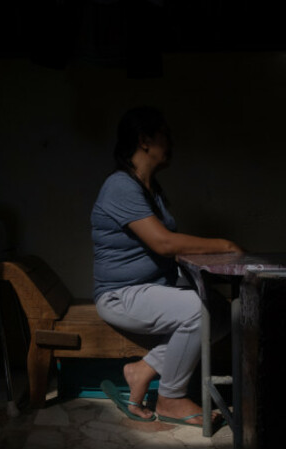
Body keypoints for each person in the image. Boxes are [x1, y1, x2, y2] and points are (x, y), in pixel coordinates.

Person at [91, 106, 243, 426]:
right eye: (165, 135)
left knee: (222, 313)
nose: (171, 142)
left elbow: (168, 248)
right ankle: (171, 397)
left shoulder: (151, 190)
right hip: (121, 294)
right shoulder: (120, 185)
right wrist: (224, 245)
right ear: (145, 140)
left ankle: (142, 370)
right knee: (195, 311)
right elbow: (164, 243)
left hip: (149, 289)